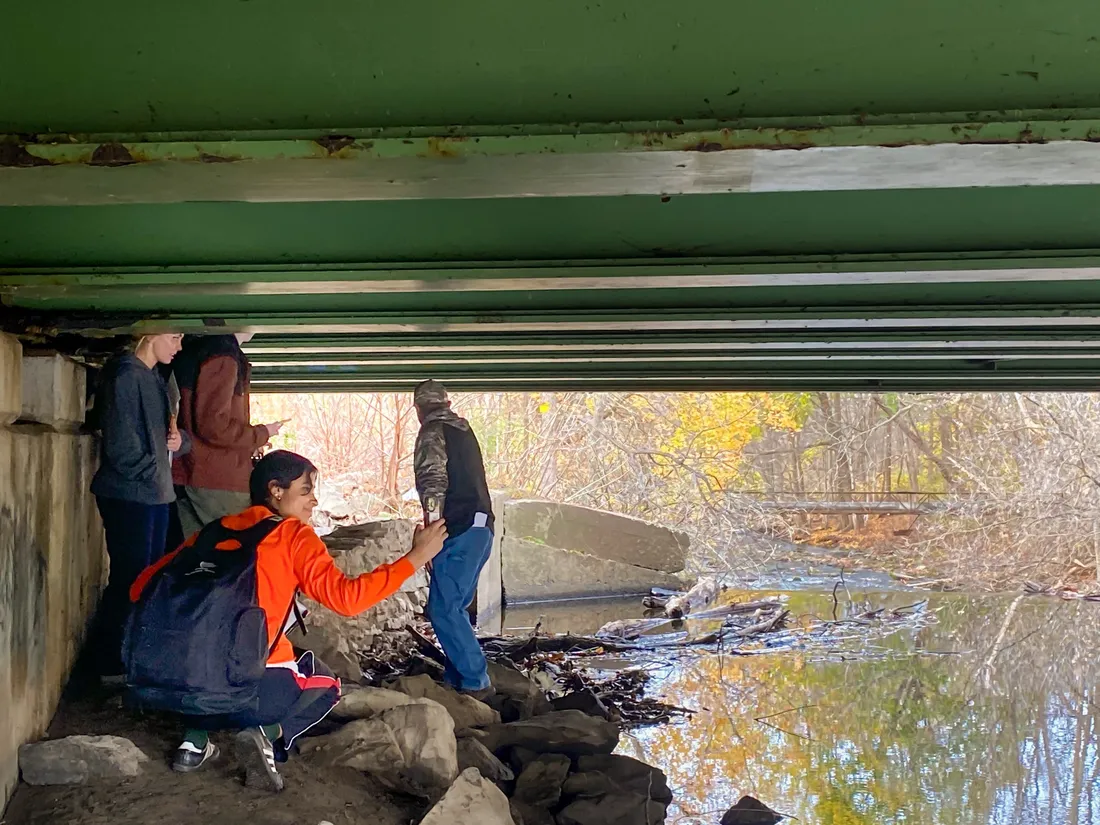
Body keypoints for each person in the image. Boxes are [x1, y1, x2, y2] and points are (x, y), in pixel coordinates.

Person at [127, 450, 447, 791]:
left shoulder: (214, 531)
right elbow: (348, 599)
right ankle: (267, 735)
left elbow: (139, 590)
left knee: (208, 662)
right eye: (306, 490)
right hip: (247, 692)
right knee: (326, 683)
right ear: (276, 491)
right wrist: (416, 557)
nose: (314, 499)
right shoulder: (293, 535)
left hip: (175, 686)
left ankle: (194, 743)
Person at [89, 333, 187, 679]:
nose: (178, 346)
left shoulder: (151, 378)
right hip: (133, 494)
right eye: (175, 337)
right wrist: (153, 468)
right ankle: (111, 661)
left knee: (142, 579)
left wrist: (178, 443)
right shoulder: (125, 376)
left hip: (153, 494)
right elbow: (121, 446)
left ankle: (124, 659)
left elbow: (166, 440)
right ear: (151, 334)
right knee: (131, 579)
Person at [412, 379, 495, 700]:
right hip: (481, 528)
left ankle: (475, 682)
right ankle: (457, 676)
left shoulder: (432, 432)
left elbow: (433, 484)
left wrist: (431, 536)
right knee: (455, 606)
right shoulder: (463, 430)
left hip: (458, 530)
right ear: (447, 404)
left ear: (419, 409)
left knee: (443, 608)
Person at [170, 332, 286, 542]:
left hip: (196, 473)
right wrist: (261, 434)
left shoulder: (201, 349)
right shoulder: (223, 354)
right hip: (220, 480)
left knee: (195, 555)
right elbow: (213, 425)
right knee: (231, 555)